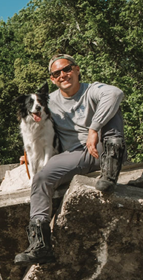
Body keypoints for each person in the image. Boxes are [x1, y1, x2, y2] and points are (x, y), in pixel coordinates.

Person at [14, 55, 126, 265]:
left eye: (66, 69)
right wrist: (30, 153)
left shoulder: (91, 90)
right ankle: (40, 245)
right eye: (56, 73)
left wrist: (94, 129)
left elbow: (116, 93)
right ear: (53, 79)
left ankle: (109, 174)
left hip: (103, 147)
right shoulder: (49, 101)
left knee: (111, 105)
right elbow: (37, 127)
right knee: (41, 178)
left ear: (77, 69)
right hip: (75, 155)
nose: (63, 75)